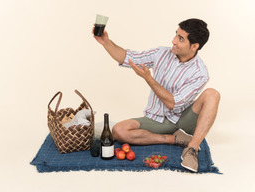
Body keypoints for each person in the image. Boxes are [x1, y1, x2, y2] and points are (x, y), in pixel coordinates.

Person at [93, 18, 220, 172]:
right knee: (118, 130)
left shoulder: (200, 73)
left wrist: (148, 78)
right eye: (176, 35)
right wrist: (106, 42)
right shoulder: (161, 53)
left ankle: (192, 147)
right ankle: (173, 139)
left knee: (212, 94)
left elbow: (173, 103)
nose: (173, 41)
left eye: (180, 39)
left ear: (194, 46)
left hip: (184, 119)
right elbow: (128, 57)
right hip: (157, 119)